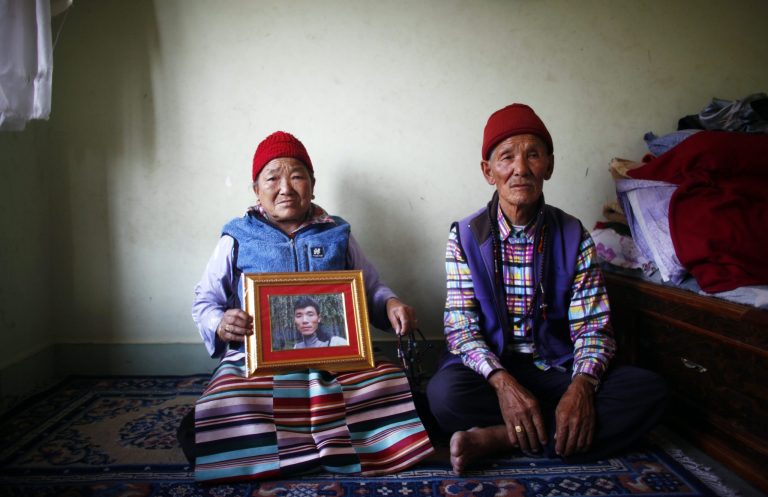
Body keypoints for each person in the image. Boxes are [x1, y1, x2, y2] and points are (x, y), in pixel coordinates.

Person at [426, 104, 667, 474]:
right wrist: (503, 382)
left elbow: (593, 327)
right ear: (488, 171)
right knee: (444, 396)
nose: (521, 168)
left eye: (533, 155)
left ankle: (499, 439)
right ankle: (553, 432)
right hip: (494, 372)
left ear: (549, 166)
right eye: (507, 157)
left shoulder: (573, 234)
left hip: (557, 369)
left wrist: (582, 385)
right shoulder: (465, 235)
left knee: (647, 391)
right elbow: (461, 328)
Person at [183, 131, 434, 482]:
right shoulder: (237, 236)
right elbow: (205, 301)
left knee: (414, 403)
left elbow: (371, 287)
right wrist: (221, 322)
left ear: (313, 186)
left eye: (297, 176)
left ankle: (290, 453)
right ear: (256, 189)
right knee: (198, 430)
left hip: (336, 360)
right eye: (272, 178)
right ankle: (332, 447)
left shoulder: (337, 232)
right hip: (258, 368)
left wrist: (390, 304)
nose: (285, 188)